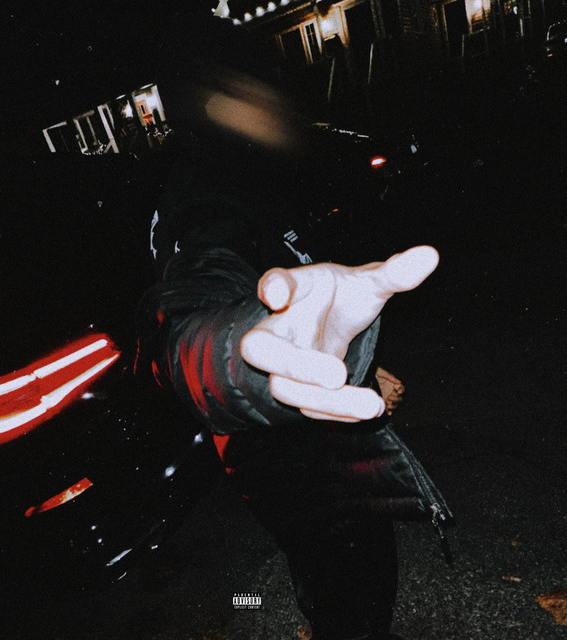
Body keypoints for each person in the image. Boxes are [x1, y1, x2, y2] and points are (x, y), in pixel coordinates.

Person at [137, 8, 452, 639]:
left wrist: (355, 362)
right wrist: (243, 360)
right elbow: (196, 317)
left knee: (341, 575)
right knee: (348, 585)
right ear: (214, 101)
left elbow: (302, 297)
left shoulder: (245, 174)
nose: (273, 104)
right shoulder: (208, 196)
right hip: (289, 451)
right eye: (253, 89)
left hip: (298, 440)